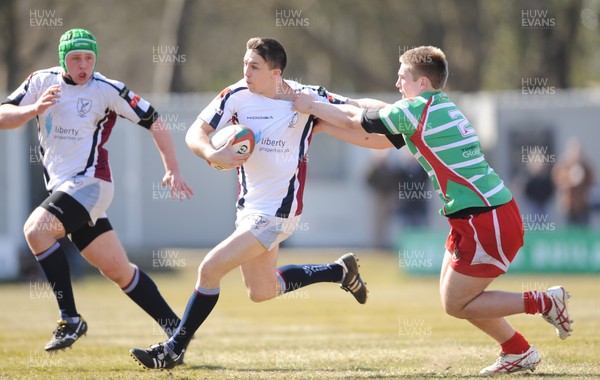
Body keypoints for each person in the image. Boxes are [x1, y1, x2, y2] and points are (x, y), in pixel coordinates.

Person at [292, 46, 573, 375]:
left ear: (422, 82)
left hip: (486, 216)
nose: (397, 82)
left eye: (402, 77)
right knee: (455, 300)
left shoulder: (415, 113)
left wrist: (311, 105)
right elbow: (373, 129)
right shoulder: (434, 106)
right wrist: (324, 119)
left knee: (457, 303)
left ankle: (545, 303)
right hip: (479, 214)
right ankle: (518, 350)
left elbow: (358, 120)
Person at [129, 37, 396, 370]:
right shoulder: (236, 95)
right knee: (261, 290)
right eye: (244, 64)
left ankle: (173, 348)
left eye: (254, 67)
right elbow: (195, 132)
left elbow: (355, 107)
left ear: (276, 72)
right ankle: (338, 271)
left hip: (279, 213)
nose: (246, 72)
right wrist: (212, 152)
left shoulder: (304, 98)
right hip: (249, 210)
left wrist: (397, 114)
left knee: (210, 269)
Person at [0, 28, 194, 353]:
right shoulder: (40, 82)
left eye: (88, 58)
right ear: (63, 59)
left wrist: (172, 169)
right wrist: (32, 110)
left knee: (36, 231)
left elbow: (155, 121)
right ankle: (177, 331)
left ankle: (70, 319)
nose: (83, 64)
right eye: (75, 58)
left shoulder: (107, 89)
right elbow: (3, 115)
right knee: (118, 270)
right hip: (66, 189)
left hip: (91, 184)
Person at [552, 138, 594, 227]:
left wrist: (581, 180)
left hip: (583, 205)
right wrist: (571, 179)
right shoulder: (562, 165)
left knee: (584, 229)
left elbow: (591, 181)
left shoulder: (586, 166)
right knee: (569, 230)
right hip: (568, 205)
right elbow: (557, 180)